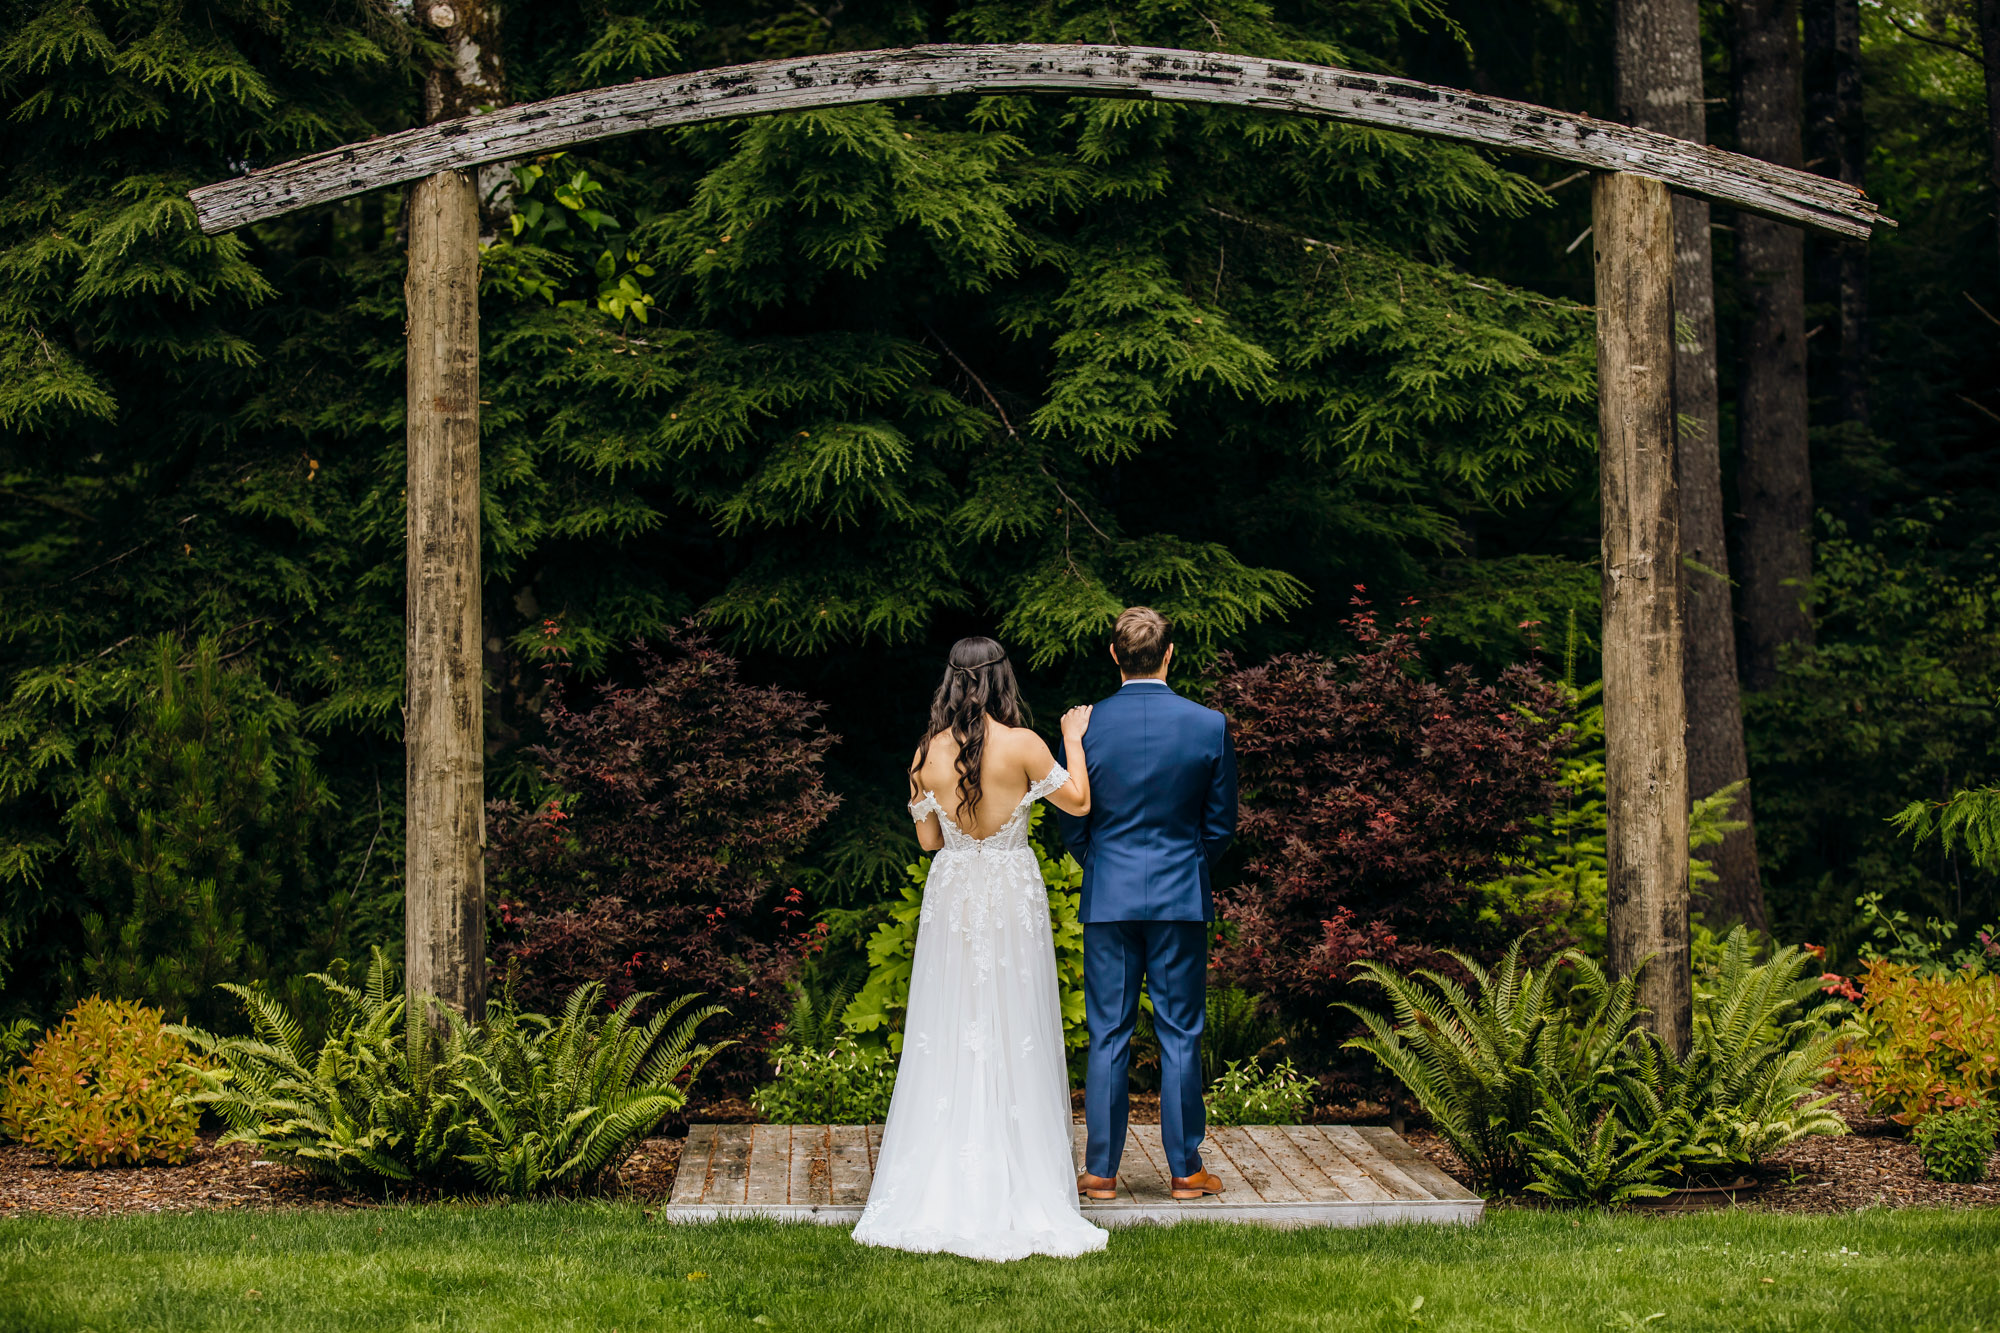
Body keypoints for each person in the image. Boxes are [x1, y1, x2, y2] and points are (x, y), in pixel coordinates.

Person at [851, 636, 1107, 1261]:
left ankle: (943, 1170)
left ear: (950, 682)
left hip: (957, 895)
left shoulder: (923, 753)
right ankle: (1019, 1171)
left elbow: (928, 843)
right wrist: (1074, 737)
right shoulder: (1023, 743)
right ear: (1001, 680)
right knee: (1015, 1018)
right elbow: (1078, 800)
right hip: (1012, 892)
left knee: (952, 1021)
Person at [1058, 607, 1237, 1203]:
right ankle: (1186, 1170)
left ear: (1114, 655)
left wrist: (1102, 866)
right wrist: (1185, 867)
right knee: (1180, 1033)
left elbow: (1072, 820)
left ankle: (1101, 1172)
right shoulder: (1207, 725)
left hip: (1108, 895)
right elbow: (1221, 827)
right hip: (1179, 897)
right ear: (1169, 654)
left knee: (1107, 1031)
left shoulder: (1084, 729)